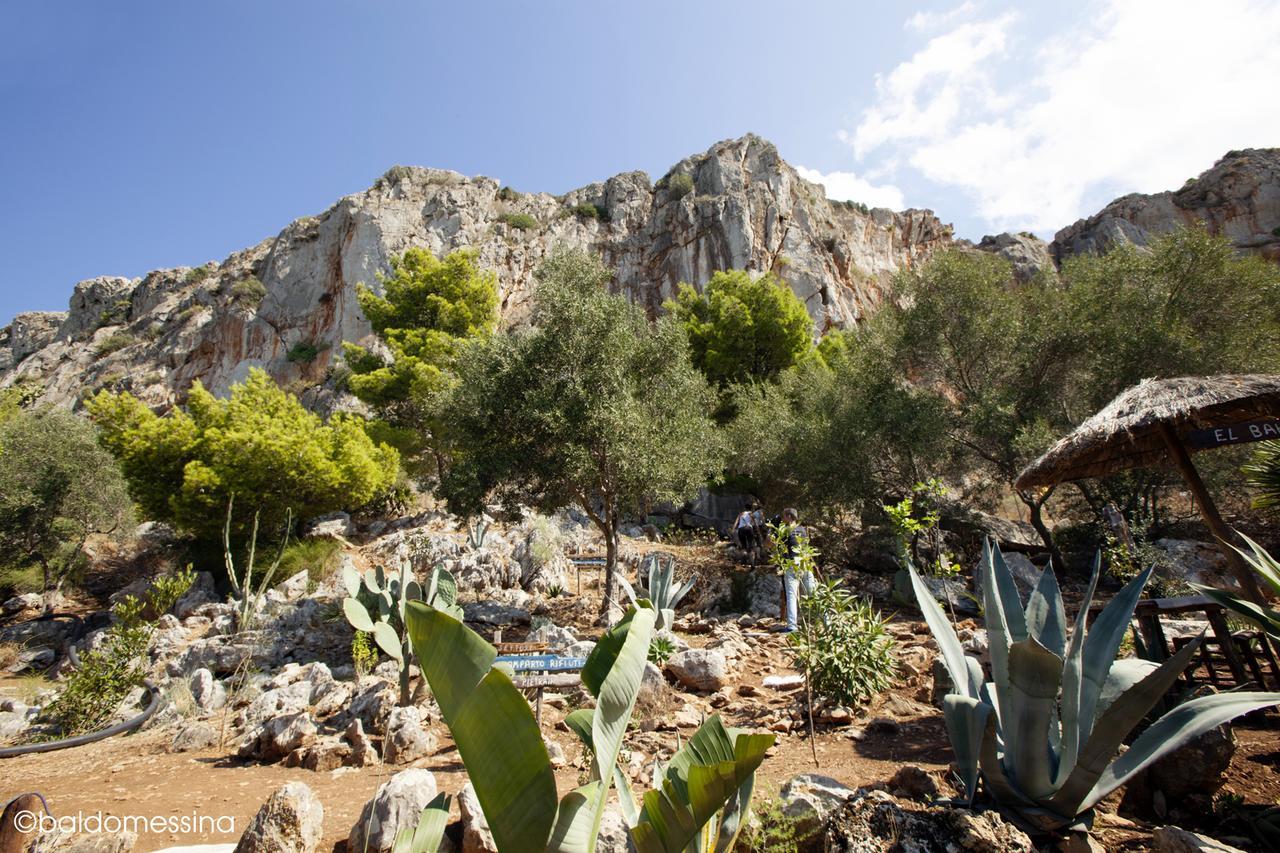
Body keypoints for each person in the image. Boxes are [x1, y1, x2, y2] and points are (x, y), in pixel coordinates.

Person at [779, 507, 815, 632]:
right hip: (805, 563)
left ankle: (792, 627)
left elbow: (770, 544)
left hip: (792, 565)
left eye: (783, 516)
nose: (782, 519)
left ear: (789, 517)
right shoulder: (803, 530)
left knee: (792, 596)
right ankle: (826, 622)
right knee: (813, 594)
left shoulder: (785, 531)